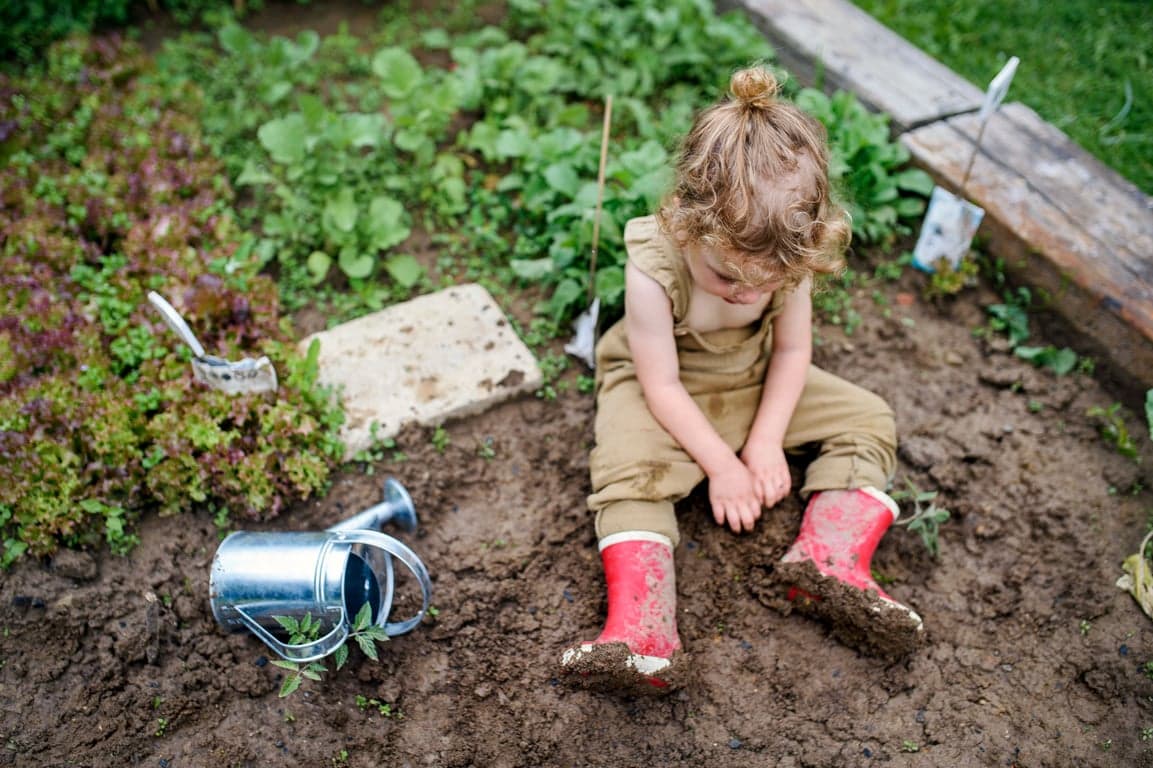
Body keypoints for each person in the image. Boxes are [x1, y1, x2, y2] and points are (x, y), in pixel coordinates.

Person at [560, 65, 924, 694]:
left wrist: (763, 441)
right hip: (663, 389)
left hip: (754, 374)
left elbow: (792, 352)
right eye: (728, 276)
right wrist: (724, 468)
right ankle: (643, 633)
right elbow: (660, 384)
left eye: (765, 281)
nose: (747, 293)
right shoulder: (654, 264)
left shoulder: (786, 253)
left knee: (866, 417)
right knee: (625, 467)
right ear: (686, 223)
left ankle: (828, 563)